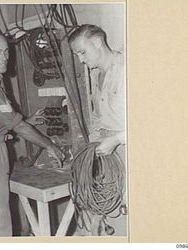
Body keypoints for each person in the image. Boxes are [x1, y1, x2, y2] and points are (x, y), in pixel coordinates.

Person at [0, 30, 64, 237]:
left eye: (6, 52)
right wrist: (50, 145)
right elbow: (16, 125)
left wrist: (25, 121)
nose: (4, 58)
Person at [68, 24, 126, 235]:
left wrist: (117, 139)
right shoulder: (95, 76)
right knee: (100, 213)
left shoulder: (126, 69)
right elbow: (97, 117)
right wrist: (91, 145)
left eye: (82, 52)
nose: (81, 60)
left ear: (97, 42)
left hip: (130, 152)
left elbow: (148, 120)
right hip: (107, 154)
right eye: (77, 55)